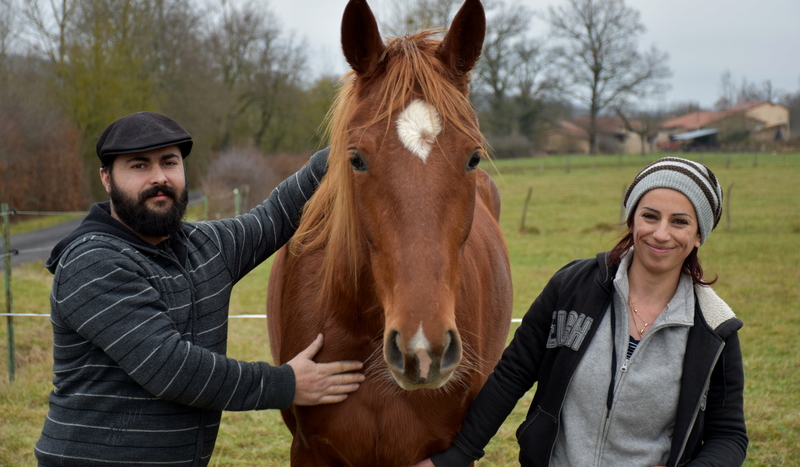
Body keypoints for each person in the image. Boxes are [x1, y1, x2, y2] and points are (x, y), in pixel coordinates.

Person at [35, 111, 365, 466]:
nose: (159, 177)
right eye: (138, 166)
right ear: (106, 178)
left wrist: (360, 138)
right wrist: (286, 384)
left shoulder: (202, 248)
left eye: (169, 162)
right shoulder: (93, 262)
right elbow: (171, 369)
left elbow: (275, 215)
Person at [415, 157, 747, 467]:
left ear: (699, 235)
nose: (661, 233)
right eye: (650, 216)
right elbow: (511, 375)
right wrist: (456, 456)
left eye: (679, 222)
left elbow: (729, 436)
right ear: (632, 219)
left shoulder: (714, 328)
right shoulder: (573, 287)